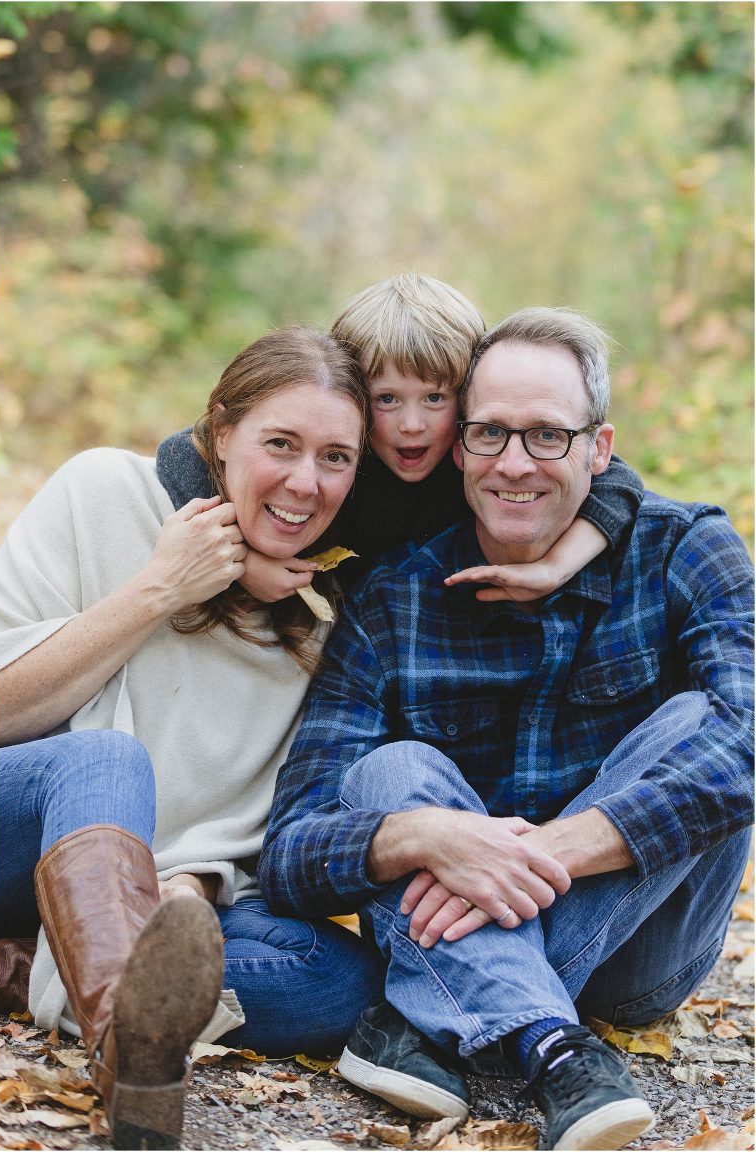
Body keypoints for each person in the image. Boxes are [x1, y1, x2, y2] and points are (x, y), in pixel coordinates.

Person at [258, 308, 754, 1151]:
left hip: (636, 961)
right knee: (396, 775)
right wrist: (420, 835)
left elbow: (747, 741)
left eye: (547, 437)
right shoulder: (393, 603)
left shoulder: (683, 550)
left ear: (600, 452)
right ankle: (548, 1044)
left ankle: (439, 1012)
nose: (514, 464)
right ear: (457, 450)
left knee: (703, 720)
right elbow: (290, 853)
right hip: (454, 931)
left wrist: (551, 851)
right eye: (489, 434)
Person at [0, 326, 385, 1150]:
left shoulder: (324, 627)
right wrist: (159, 588)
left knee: (342, 983)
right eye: (280, 444)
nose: (304, 482)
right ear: (219, 433)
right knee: (104, 759)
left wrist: (186, 891)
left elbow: (242, 833)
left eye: (336, 458)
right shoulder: (103, 492)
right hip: (11, 828)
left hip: (133, 894)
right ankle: (129, 1049)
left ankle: (45, 970)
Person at [156, 273, 645, 604]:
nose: (412, 425)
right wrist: (247, 560)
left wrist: (557, 566)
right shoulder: (333, 466)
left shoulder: (480, 461)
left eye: (435, 399)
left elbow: (617, 479)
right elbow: (183, 451)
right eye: (386, 400)